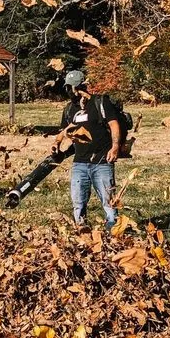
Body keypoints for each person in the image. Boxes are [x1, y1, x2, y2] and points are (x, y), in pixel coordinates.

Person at [53, 69, 121, 232]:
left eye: (73, 87)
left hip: (102, 161)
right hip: (80, 163)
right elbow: (66, 131)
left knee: (108, 199)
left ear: (81, 86)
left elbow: (114, 124)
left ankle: (113, 227)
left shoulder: (100, 102)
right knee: (78, 199)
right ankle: (81, 226)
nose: (70, 91)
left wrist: (115, 147)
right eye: (68, 88)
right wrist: (57, 143)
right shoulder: (69, 109)